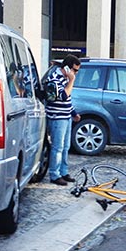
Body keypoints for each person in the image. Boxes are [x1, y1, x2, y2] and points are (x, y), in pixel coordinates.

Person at [45, 54, 82, 185]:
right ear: (66, 67)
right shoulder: (54, 80)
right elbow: (64, 96)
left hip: (66, 116)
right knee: (57, 147)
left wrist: (73, 113)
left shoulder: (65, 79)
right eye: (75, 70)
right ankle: (54, 174)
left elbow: (68, 100)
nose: (75, 73)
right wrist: (71, 81)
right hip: (57, 118)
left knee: (66, 146)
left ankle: (63, 171)